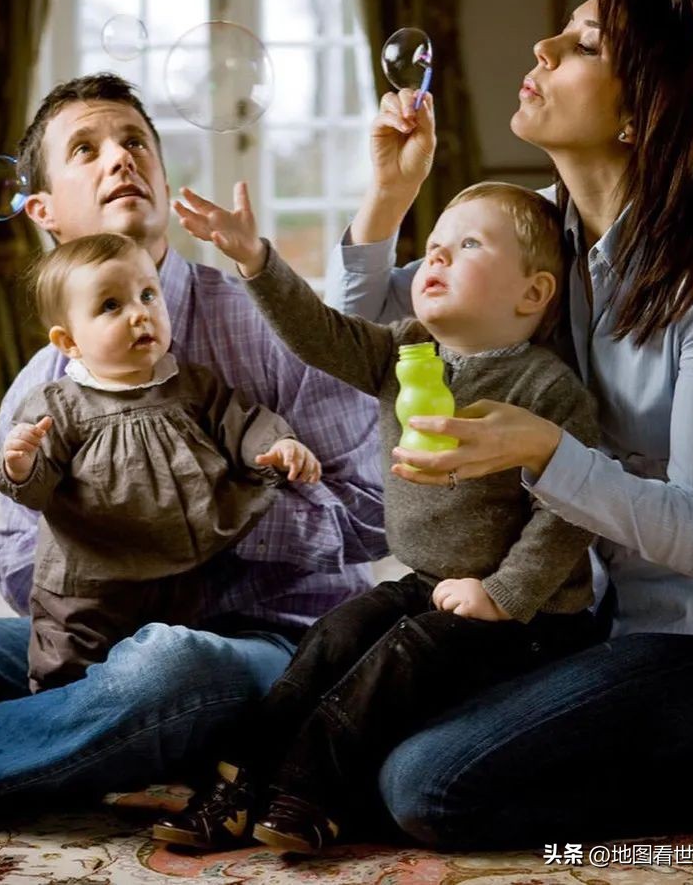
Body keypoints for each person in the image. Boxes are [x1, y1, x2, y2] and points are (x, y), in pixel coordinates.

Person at [322, 0, 693, 847]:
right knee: (348, 733)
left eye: (583, 44)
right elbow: (367, 336)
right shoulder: (542, 231)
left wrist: (547, 450)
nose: (542, 48)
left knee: (426, 787)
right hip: (587, 616)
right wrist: (389, 196)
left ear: (639, 115)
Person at [0, 74, 384, 811]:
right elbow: (14, 566)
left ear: (163, 180)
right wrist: (108, 540)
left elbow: (372, 514)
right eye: (86, 149)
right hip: (95, 642)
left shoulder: (276, 325)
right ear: (42, 210)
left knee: (164, 668)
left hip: (268, 642)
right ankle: (59, 737)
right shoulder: (40, 387)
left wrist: (206, 516)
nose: (120, 158)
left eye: (136, 141)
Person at [151, 178, 599, 853]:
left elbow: (569, 513)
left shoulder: (546, 387)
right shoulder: (402, 351)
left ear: (532, 293)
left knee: (401, 654)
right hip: (430, 582)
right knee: (338, 632)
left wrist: (503, 594)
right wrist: (256, 261)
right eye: (435, 244)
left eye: (468, 245)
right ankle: (236, 783)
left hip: (529, 617)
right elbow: (317, 335)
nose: (436, 256)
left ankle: (313, 793)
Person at [0, 232, 321, 693]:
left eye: (148, 295)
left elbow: (242, 422)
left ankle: (155, 718)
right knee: (68, 670)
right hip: (90, 586)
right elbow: (36, 489)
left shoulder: (191, 385)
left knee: (171, 665)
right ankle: (56, 715)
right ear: (69, 341)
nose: (140, 313)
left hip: (182, 574)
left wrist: (279, 444)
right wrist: (21, 464)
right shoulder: (58, 405)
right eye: (111, 305)